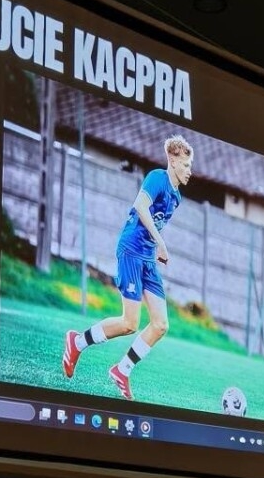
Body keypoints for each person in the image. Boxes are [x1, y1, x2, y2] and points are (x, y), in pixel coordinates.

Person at [62, 136, 194, 401]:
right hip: (131, 251)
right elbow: (140, 206)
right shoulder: (157, 178)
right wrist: (161, 243)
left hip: (147, 258)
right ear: (173, 161)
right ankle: (77, 342)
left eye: (190, 165)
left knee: (160, 324)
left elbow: (154, 223)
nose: (190, 170)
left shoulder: (176, 197)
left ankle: (122, 371)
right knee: (129, 323)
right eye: (186, 164)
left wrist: (155, 247)